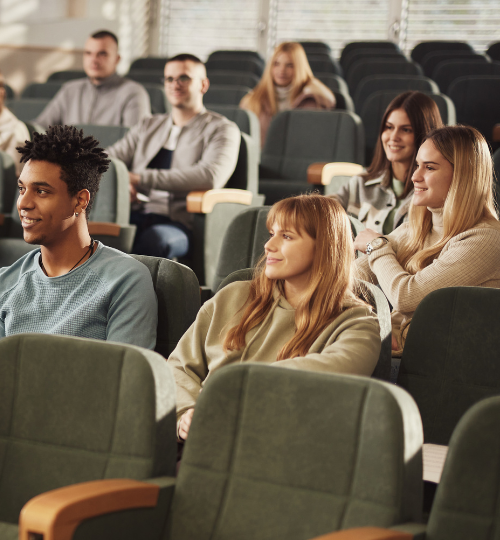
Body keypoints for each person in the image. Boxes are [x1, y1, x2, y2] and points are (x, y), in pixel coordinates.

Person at [171, 195, 381, 440]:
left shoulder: (357, 324)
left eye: (287, 236)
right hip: (201, 444)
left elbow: (326, 378)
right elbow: (179, 367)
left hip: (278, 458)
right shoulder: (232, 296)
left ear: (324, 246)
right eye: (272, 233)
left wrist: (224, 395)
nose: (268, 246)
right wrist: (185, 414)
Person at [0, 125, 158, 350]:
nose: (24, 203)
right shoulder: (4, 284)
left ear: (80, 201)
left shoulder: (126, 280)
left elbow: (124, 378)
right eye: (22, 189)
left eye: (41, 191)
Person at [355, 125, 500, 353]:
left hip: (442, 370)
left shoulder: (486, 240)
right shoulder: (417, 226)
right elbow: (354, 277)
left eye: (429, 167)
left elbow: (407, 296)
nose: (415, 176)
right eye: (417, 165)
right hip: (397, 352)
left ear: (463, 175)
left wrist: (376, 246)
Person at [107, 54, 241, 260]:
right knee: (91, 234)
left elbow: (210, 175)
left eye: (184, 78)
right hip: (133, 214)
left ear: (203, 85)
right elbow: (107, 159)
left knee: (155, 241)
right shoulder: (148, 125)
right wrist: (122, 181)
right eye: (169, 79)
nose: (175, 84)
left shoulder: (223, 129)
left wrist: (139, 178)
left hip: (180, 223)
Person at [331, 91, 443, 235]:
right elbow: (324, 209)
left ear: (425, 134)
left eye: (406, 130)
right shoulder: (360, 183)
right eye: (389, 127)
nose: (393, 137)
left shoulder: (433, 194)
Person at [33, 30, 152, 129]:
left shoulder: (133, 93)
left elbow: (133, 143)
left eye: (102, 54)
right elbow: (41, 127)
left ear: (117, 59)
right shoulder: (70, 90)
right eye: (88, 53)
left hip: (109, 157)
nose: (93, 60)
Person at [239, 42, 336, 145]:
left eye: (290, 65)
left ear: (299, 68)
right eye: (276, 64)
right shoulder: (253, 100)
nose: (282, 70)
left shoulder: (313, 101)